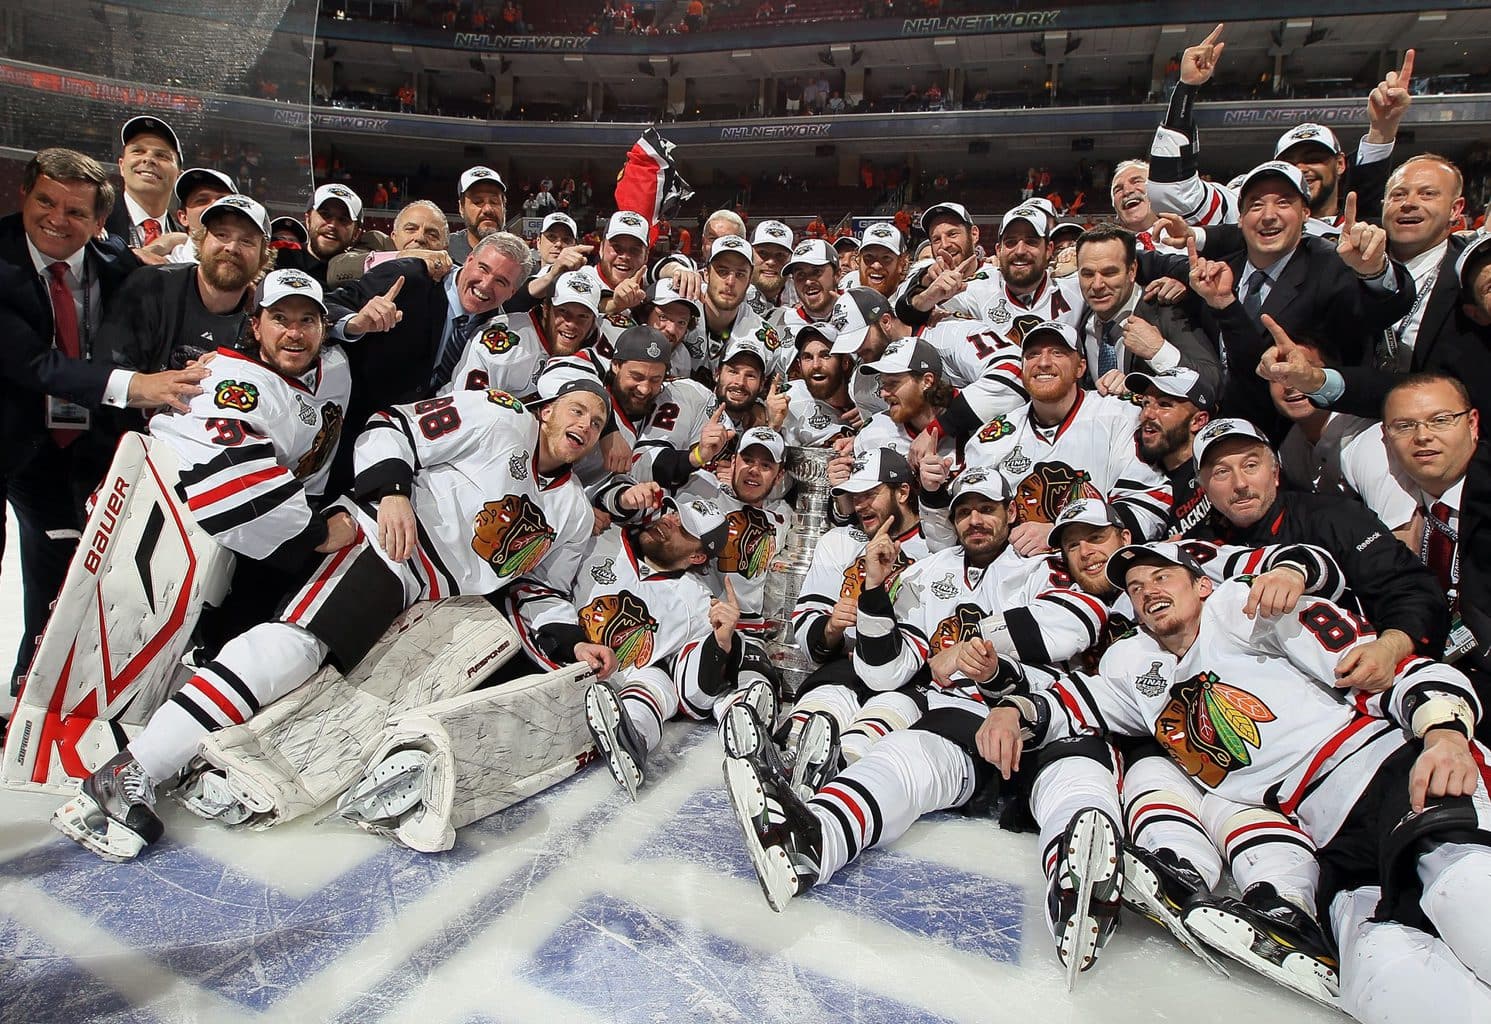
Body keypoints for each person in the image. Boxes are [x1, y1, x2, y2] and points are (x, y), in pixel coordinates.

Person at [53, 377, 613, 860]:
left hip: (432, 601)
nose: (585, 425)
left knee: (333, 701)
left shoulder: (571, 512)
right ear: (547, 409)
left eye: (597, 421)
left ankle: (199, 758)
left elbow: (536, 587)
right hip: (391, 544)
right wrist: (391, 492)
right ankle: (130, 770)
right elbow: (390, 425)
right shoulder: (498, 416)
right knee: (292, 650)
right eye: (577, 410)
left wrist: (571, 645)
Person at [981, 540, 1491, 1024]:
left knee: (1466, 892)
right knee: (1382, 973)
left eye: (1163, 576)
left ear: (1202, 585)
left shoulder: (1250, 611)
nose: (1149, 590)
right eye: (1135, 588)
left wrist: (1444, 734)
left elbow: (1390, 669)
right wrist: (1013, 710)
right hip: (1326, 838)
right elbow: (1073, 706)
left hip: (1391, 770)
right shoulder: (1133, 666)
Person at [0, 148, 206, 697]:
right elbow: (31, 364)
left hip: (89, 444)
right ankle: (32, 689)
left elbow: (145, 271)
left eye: (75, 212)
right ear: (25, 195)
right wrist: (138, 386)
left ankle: (45, 688)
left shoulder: (112, 258)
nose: (55, 219)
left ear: (96, 224)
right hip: (15, 438)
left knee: (78, 571)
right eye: (45, 201)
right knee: (45, 563)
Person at [1189, 417, 1449, 689]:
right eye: (1221, 472)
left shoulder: (1333, 517)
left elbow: (1414, 590)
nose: (1240, 483)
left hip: (1362, 682)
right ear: (1203, 487)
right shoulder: (1198, 549)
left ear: (1276, 473)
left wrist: (1389, 648)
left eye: (1251, 465)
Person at [1260, 154, 1491, 421]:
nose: (1408, 204)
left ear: (1455, 209)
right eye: (1398, 195)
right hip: (1348, 421)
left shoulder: (1475, 270)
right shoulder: (1335, 264)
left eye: (1427, 194)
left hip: (1454, 431)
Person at [324, 231, 531, 491]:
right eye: (483, 268)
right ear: (468, 260)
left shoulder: (497, 332)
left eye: (501, 281)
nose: (486, 284)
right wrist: (355, 323)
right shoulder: (408, 278)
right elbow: (324, 306)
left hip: (414, 455)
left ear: (512, 292)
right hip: (348, 437)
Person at [962, 321, 1173, 548]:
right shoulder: (992, 438)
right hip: (1018, 571)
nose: (1043, 363)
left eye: (1057, 353)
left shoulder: (1120, 414)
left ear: (1081, 368)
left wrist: (1061, 533)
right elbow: (972, 523)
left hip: (1102, 568)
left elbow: (1149, 505)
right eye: (1032, 355)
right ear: (1022, 370)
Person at [1380, 372, 1491, 737]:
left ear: (1473, 424)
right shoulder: (1394, 522)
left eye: (1441, 420)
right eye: (1404, 425)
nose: (1423, 436)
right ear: (1386, 438)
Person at [102, 194, 275, 376]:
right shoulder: (151, 286)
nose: (232, 247)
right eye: (221, 234)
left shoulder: (260, 323)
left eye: (247, 241)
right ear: (200, 242)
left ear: (263, 259)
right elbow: (109, 375)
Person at [1070, 224, 1220, 396]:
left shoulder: (1166, 311)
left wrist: (1158, 351)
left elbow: (1212, 382)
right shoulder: (1081, 320)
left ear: (1132, 270)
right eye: (1087, 274)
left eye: (1110, 273)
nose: (1097, 285)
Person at [1125, 368, 1214, 534]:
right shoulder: (1137, 470)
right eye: (1145, 403)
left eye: (1164, 405)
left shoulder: (1217, 470)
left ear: (1198, 421)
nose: (1147, 414)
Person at [104, 116, 182, 251]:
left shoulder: (186, 244)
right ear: (121, 166)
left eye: (162, 155)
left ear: (178, 176)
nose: (148, 159)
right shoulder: (94, 221)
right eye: (138, 151)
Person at [447, 166, 508, 263]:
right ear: (461, 208)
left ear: (504, 206)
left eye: (494, 201)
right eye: (478, 201)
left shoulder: (521, 257)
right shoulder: (445, 248)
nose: (488, 209)